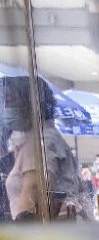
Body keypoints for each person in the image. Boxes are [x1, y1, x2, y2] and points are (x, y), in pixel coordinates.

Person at [1, 76, 90, 221]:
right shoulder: (35, 140)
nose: (5, 107)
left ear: (30, 103)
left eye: (10, 100)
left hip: (43, 234)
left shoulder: (43, 141)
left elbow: (33, 190)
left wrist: (18, 233)